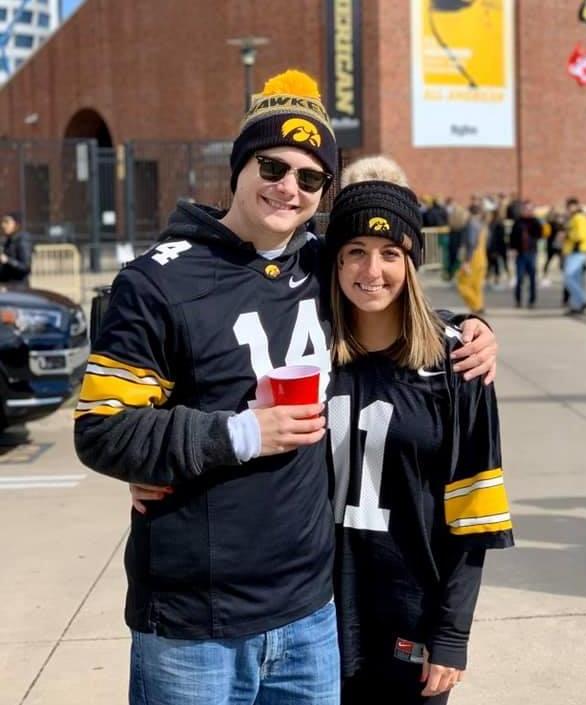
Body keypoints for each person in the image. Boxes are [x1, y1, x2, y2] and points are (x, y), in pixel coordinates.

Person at [75, 71, 499, 705]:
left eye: (310, 177)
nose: (288, 187)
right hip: (197, 623)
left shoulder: (319, 264)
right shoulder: (159, 281)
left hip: (309, 617)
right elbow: (103, 429)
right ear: (240, 166)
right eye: (272, 167)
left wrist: (468, 328)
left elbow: (382, 284)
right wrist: (238, 434)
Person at [324, 157, 514, 704]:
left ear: (412, 261)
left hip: (410, 610)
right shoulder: (306, 348)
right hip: (311, 614)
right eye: (355, 251)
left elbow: (474, 512)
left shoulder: (458, 362)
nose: (372, 270)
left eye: (390, 253)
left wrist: (451, 633)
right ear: (335, 260)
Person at [562, 197, 586, 314]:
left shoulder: (578, 218)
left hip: (577, 250)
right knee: (575, 279)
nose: (569, 209)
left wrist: (567, 234)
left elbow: (580, 235)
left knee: (568, 277)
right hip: (575, 251)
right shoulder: (575, 218)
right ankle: (577, 305)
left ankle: (584, 298)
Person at [509, 200, 542, 308]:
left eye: (530, 209)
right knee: (519, 278)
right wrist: (512, 249)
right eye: (526, 209)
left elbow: (539, 234)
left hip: (531, 253)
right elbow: (512, 236)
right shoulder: (518, 222)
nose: (527, 211)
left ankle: (532, 301)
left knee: (532, 278)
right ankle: (518, 300)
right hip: (520, 253)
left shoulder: (535, 221)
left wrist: (534, 220)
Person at [0, 211, 32, 286]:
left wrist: (7, 260)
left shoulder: (22, 240)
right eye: (3, 222)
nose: (3, 225)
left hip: (19, 288)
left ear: (17, 225)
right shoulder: (8, 240)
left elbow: (25, 267)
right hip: (7, 286)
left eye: (7, 222)